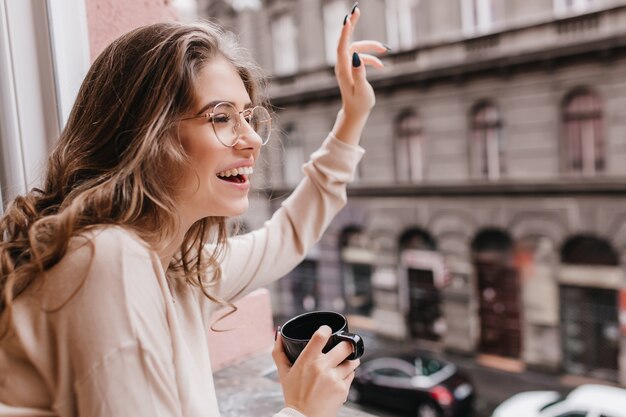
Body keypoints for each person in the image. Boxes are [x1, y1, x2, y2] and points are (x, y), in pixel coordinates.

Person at [0, 3, 386, 417]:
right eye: (221, 117)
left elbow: (285, 237)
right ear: (147, 133)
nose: (253, 139)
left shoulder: (173, 267)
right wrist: (303, 410)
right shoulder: (106, 260)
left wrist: (353, 115)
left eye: (248, 117)